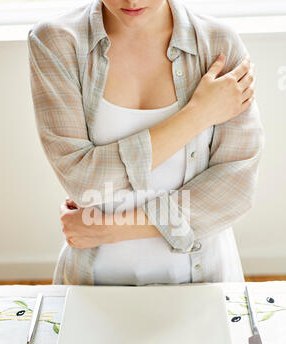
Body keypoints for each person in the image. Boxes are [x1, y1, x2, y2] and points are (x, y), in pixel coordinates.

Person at [27, 0, 265, 285]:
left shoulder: (218, 43)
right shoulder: (56, 41)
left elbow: (234, 191)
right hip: (94, 280)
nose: (132, 1)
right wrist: (197, 115)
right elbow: (83, 181)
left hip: (202, 278)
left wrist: (111, 229)